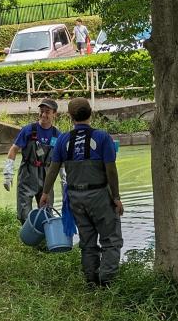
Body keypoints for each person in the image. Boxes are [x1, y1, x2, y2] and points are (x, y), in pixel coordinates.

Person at [40, 97, 123, 287]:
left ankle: (91, 280)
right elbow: (111, 169)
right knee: (111, 239)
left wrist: (45, 193)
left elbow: (53, 168)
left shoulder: (63, 139)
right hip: (99, 195)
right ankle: (107, 281)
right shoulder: (102, 137)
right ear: (91, 113)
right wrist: (116, 197)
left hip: (75, 198)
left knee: (87, 241)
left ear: (70, 117)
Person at [3, 98, 61, 224]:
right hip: (28, 173)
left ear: (54, 114)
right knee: (24, 212)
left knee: (46, 213)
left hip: (47, 176)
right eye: (41, 111)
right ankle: (27, 238)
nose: (43, 114)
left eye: (47, 111)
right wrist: (8, 174)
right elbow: (13, 150)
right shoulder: (28, 130)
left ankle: (45, 240)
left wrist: (65, 180)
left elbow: (61, 161)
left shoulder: (57, 135)